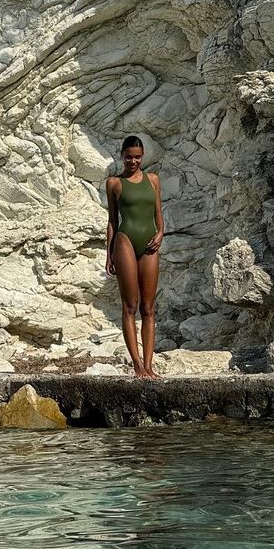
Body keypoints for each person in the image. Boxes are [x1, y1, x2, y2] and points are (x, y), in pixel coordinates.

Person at [105, 136, 165, 378]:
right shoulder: (114, 183)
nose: (133, 161)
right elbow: (112, 221)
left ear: (143, 156)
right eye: (129, 156)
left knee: (148, 308)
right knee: (130, 306)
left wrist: (161, 233)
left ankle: (149, 365)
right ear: (122, 155)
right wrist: (109, 254)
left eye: (137, 157)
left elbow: (158, 212)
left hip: (150, 244)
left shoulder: (153, 180)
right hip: (125, 242)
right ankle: (137, 366)